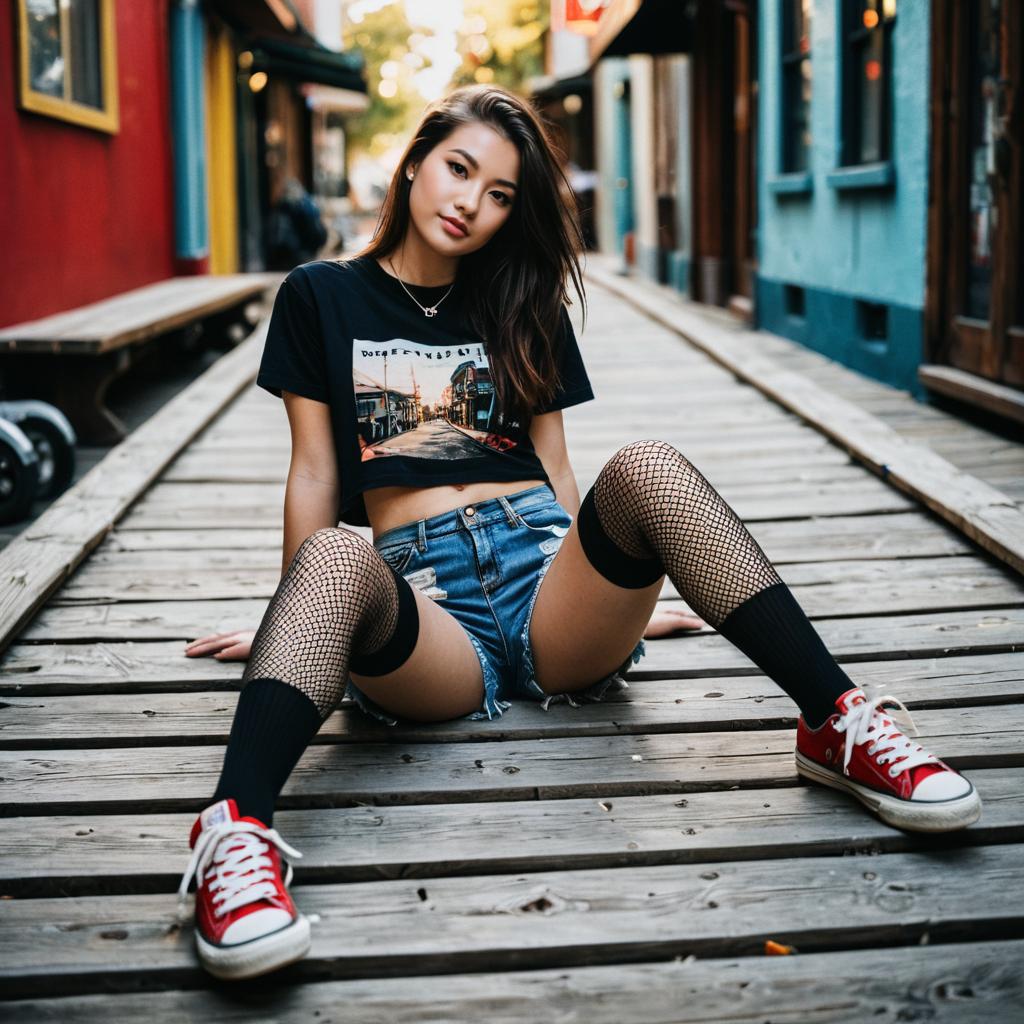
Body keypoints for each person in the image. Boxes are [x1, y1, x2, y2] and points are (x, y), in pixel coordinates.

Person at [177, 84, 982, 981]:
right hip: (428, 618)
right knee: (334, 555)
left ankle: (836, 721)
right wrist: (300, 619)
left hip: (546, 584)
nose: (469, 204)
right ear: (414, 160)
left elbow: (558, 473)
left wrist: (618, 599)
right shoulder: (320, 296)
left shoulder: (522, 300)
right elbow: (317, 475)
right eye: (458, 169)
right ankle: (233, 837)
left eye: (499, 195)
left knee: (648, 465)